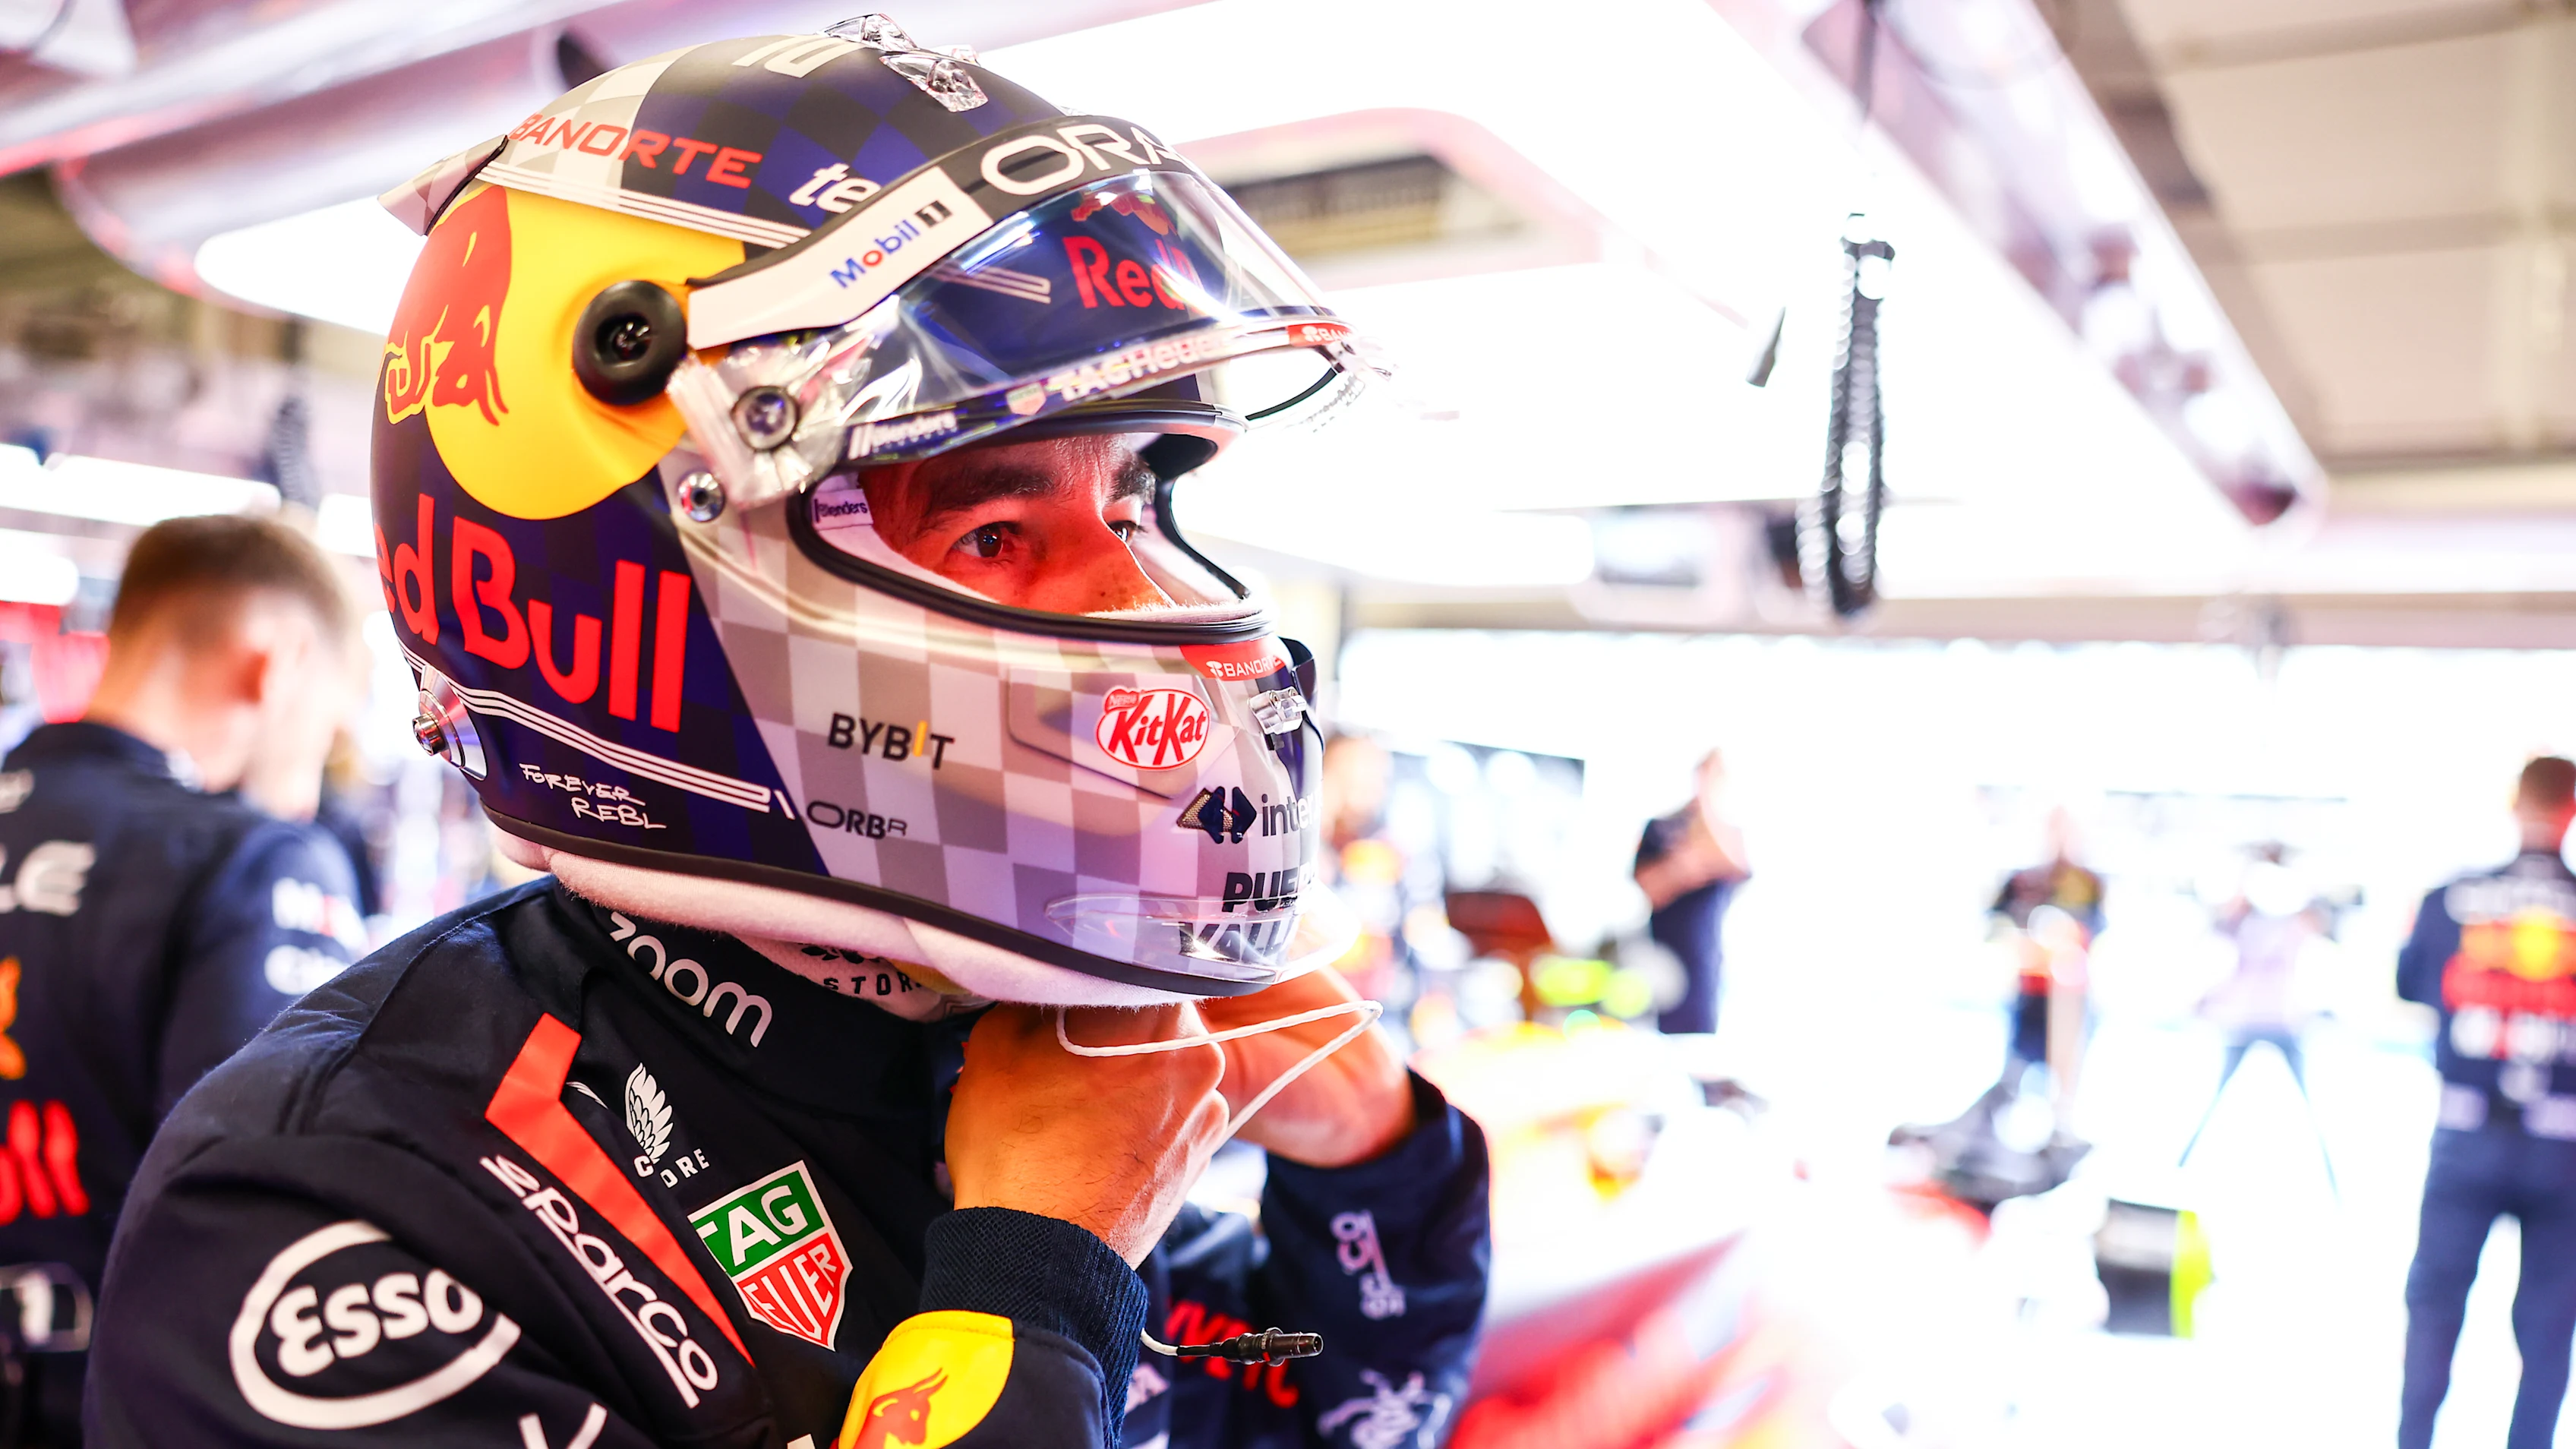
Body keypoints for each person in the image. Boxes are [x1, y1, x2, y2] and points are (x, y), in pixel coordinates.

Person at [87, 24, 1490, 1449]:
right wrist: (1027, 1297)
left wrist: (1376, 1169)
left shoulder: (986, 1036)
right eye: (997, 529)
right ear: (641, 591)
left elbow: (1308, 1404)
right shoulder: (331, 1207)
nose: (1138, 598)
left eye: (1132, 502)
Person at [0, 513, 366, 1445]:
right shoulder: (255, 862)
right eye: (325, 722)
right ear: (274, 665)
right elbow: (275, 1222)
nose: (318, 766)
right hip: (95, 1403)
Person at [2395, 756, 2576, 1449]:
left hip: (2466, 1134)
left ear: (2514, 804)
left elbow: (2411, 985)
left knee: (2435, 1308)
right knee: (2549, 1324)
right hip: (2562, 1149)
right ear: (2570, 810)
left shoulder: (2450, 899)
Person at [2179, 844, 2335, 1189]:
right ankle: (2177, 1172)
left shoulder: (2295, 920)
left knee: (2311, 1108)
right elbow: (2228, 961)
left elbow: (2319, 930)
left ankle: (2335, 1183)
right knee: (2213, 1101)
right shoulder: (2242, 922)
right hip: (2249, 1020)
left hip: (2282, 1021)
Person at [1632, 750, 1750, 1036]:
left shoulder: (1729, 833)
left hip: (1705, 963)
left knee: (1698, 1041)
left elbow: (1739, 868)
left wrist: (1707, 807)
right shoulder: (1661, 828)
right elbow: (1647, 888)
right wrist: (1680, 870)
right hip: (1660, 956)